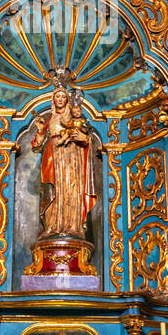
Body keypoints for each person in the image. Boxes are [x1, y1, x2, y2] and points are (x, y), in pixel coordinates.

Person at [30, 88, 96, 239]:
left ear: (67, 99)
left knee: (72, 188)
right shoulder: (48, 118)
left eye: (63, 97)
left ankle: (74, 226)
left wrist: (83, 138)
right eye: (57, 96)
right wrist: (40, 130)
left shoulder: (74, 115)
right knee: (54, 190)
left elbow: (86, 137)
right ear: (53, 99)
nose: (60, 99)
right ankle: (52, 226)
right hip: (53, 157)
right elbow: (36, 146)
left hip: (73, 157)